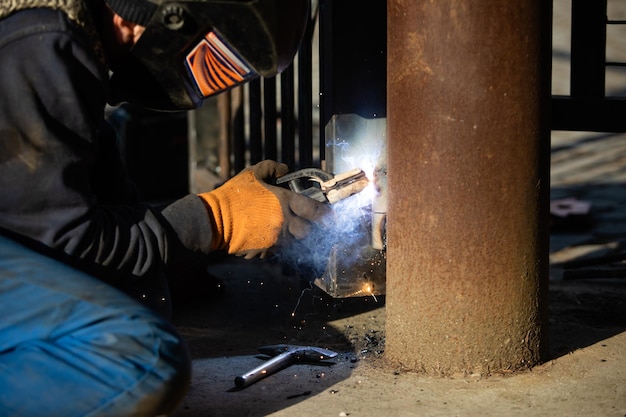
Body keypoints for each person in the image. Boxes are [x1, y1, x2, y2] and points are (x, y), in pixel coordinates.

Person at [0, 0, 328, 415]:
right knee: (141, 359)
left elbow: (94, 222)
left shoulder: (63, 42)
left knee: (146, 297)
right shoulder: (42, 44)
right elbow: (63, 250)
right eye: (213, 61)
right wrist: (217, 220)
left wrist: (186, 252)